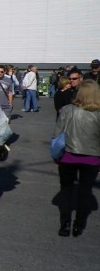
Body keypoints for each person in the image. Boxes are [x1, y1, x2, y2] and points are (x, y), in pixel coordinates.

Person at [54, 80, 100, 237]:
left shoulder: (67, 110)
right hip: (92, 157)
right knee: (85, 192)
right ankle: (78, 225)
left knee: (66, 190)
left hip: (68, 155)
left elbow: (57, 134)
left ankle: (65, 223)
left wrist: (56, 154)